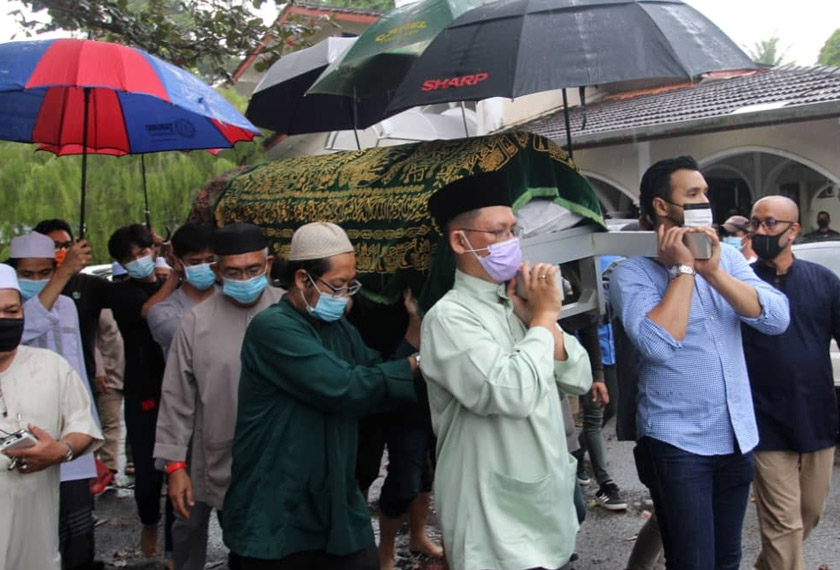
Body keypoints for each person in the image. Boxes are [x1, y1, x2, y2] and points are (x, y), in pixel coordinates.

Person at [610, 156, 790, 570]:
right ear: (661, 206)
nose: (705, 201)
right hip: (677, 442)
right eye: (693, 194)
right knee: (692, 562)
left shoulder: (724, 260)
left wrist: (712, 272)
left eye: (705, 193)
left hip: (735, 434)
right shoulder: (630, 274)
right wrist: (683, 271)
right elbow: (656, 344)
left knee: (727, 558)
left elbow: (776, 318)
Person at [419, 171, 593, 570]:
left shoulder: (518, 303)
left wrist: (540, 318)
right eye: (497, 232)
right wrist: (544, 318)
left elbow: (577, 376)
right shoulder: (449, 318)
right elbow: (507, 393)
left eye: (514, 230)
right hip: (493, 524)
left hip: (547, 508)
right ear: (460, 241)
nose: (510, 242)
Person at [223, 222, 421, 569]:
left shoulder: (339, 329)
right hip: (279, 496)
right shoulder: (273, 329)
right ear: (303, 279)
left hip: (333, 493)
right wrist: (416, 361)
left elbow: (373, 373)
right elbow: (344, 386)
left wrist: (413, 340)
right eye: (338, 285)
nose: (345, 294)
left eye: (350, 285)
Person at [155, 222, 283, 570]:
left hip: (276, 457)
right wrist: (175, 466)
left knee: (263, 546)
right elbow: (176, 397)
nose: (244, 279)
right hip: (207, 454)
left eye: (253, 270)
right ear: (216, 271)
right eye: (233, 272)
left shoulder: (290, 312)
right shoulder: (195, 322)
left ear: (268, 265)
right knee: (187, 535)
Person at [742, 196, 840, 570]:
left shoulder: (824, 281)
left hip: (816, 415)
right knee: (784, 524)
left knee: (808, 513)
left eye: (770, 224)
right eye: (755, 223)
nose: (760, 231)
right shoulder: (743, 283)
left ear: (793, 230)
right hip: (763, 419)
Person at [9, 231, 104, 570]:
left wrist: (93, 440)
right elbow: (26, 326)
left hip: (71, 440)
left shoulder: (67, 306)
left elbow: (76, 369)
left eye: (44, 273)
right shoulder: (10, 311)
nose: (36, 280)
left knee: (77, 538)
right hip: (25, 438)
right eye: (27, 274)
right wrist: (63, 275)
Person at [107, 224, 170, 559]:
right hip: (142, 391)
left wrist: (174, 266)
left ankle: (176, 547)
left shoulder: (169, 281)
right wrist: (172, 279)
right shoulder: (121, 292)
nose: (139, 260)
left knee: (181, 470)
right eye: (129, 257)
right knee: (148, 473)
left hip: (178, 390)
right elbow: (149, 312)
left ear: (155, 250)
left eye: (143, 251)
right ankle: (148, 521)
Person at [33, 219, 111, 391]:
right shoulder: (27, 288)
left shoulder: (89, 285)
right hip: (35, 383)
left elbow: (130, 297)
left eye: (66, 245)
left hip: (80, 383)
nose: (62, 251)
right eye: (55, 245)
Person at [146, 223, 217, 359]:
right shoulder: (164, 313)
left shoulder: (232, 297)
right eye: (195, 262)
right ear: (177, 262)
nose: (204, 266)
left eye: (210, 260)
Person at [93, 308, 125, 478]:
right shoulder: (101, 310)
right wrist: (99, 369)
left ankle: (131, 460)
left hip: (129, 372)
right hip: (108, 374)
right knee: (109, 422)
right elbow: (92, 340)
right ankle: (108, 467)